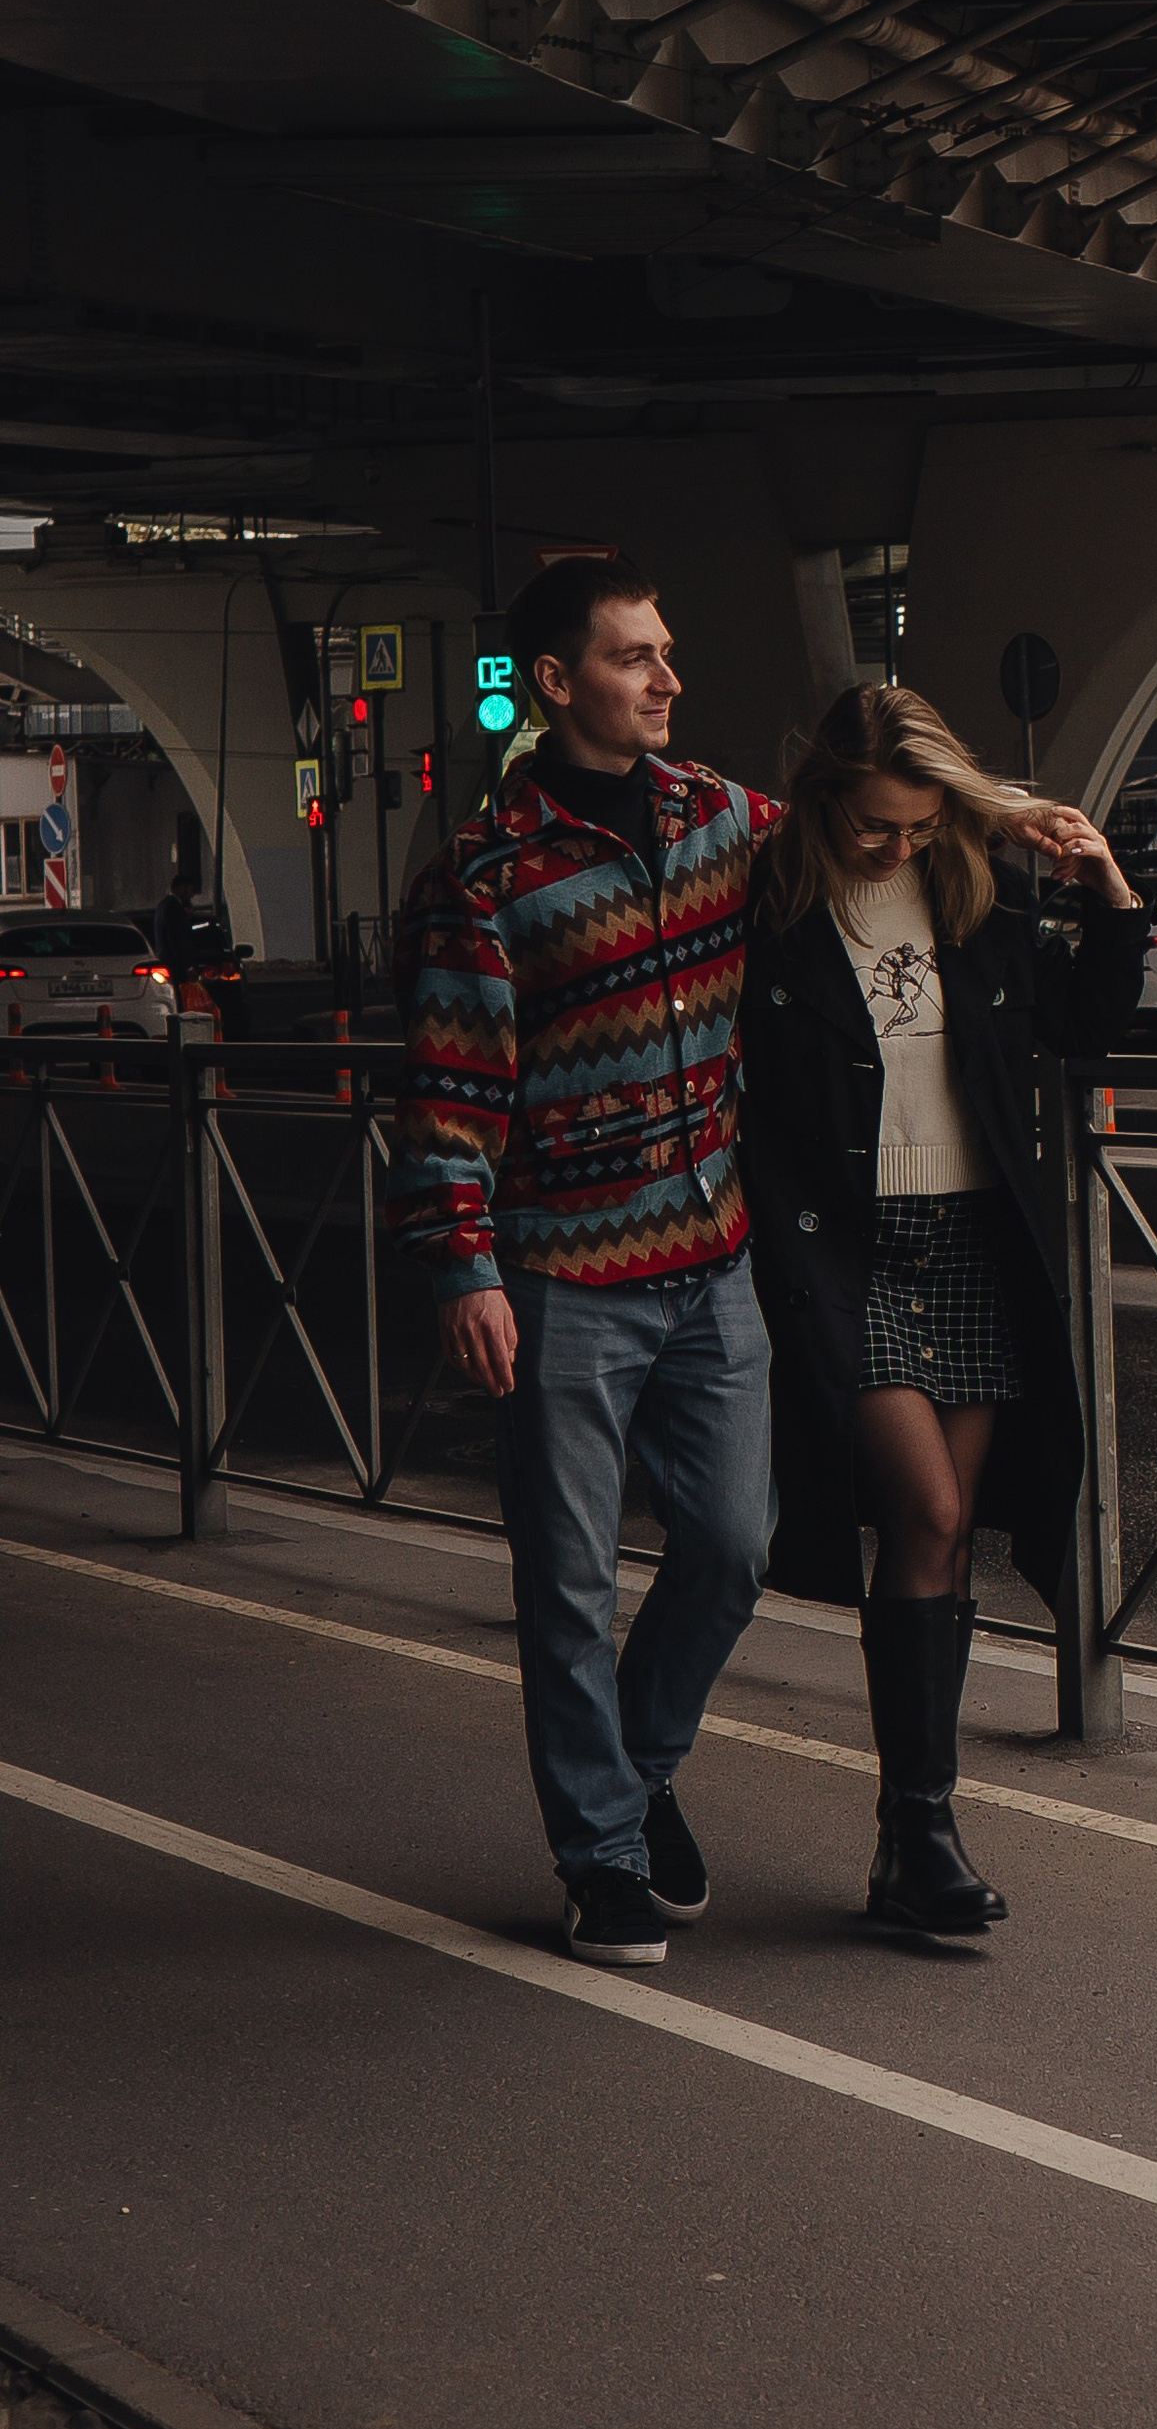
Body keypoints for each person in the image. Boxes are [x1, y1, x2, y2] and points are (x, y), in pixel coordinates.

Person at [388, 557, 779, 1969]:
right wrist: (464, 1266)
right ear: (557, 683)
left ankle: (635, 1768)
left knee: (735, 1545)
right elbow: (449, 1090)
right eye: (634, 657)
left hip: (712, 1256)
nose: (668, 679)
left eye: (665, 652)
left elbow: (863, 828)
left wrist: (1008, 822)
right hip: (560, 1275)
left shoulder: (720, 815)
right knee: (567, 1586)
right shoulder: (485, 873)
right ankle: (602, 1857)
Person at [740, 684, 1146, 1936]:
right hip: (844, 1248)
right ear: (823, 802)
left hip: (974, 1237)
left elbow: (1087, 1022)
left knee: (950, 1532)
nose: (896, 846)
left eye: (919, 826)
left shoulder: (983, 899)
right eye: (873, 824)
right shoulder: (770, 909)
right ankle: (917, 1829)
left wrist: (1107, 887)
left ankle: (915, 1834)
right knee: (922, 1507)